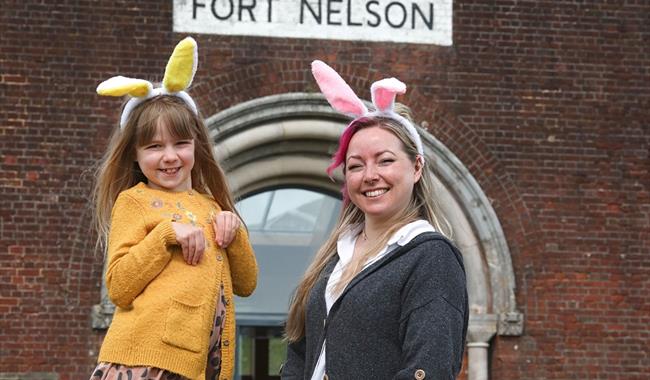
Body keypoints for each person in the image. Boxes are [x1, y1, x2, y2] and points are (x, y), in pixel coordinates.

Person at [282, 61, 468, 380]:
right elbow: (299, 354)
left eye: (385, 161)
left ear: (417, 167)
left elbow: (430, 368)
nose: (370, 176)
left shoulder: (431, 257)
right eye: (355, 166)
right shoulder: (335, 256)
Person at [89, 37, 257, 380]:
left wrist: (235, 231)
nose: (169, 156)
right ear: (134, 154)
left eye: (181, 143)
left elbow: (247, 283)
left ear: (196, 146)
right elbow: (119, 287)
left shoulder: (211, 206)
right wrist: (165, 235)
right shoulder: (133, 201)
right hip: (144, 364)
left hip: (201, 368)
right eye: (154, 146)